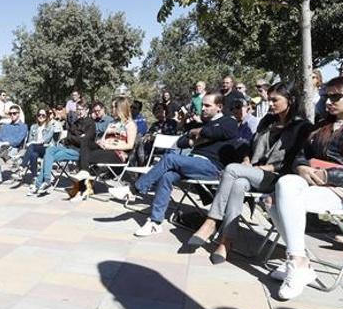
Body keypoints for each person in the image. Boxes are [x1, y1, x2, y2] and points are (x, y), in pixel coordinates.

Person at [267, 76, 343, 300]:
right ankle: (299, 260)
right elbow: (301, 157)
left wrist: (329, 175)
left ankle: (296, 262)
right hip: (316, 185)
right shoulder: (322, 125)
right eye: (326, 96)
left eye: (335, 97)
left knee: (282, 192)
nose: (329, 101)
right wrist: (302, 168)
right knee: (273, 196)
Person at [186, 82, 311, 264]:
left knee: (231, 169)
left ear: (290, 100)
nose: (270, 104)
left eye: (275, 100)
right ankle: (225, 242)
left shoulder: (303, 127)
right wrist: (246, 159)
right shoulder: (268, 121)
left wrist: (267, 168)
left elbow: (297, 161)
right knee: (237, 184)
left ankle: (212, 220)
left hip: (279, 177)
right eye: (269, 100)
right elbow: (251, 146)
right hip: (253, 171)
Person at [109, 93, 240, 237]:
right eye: (202, 105)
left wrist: (199, 133)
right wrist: (194, 136)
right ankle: (155, 223)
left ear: (219, 107)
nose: (203, 108)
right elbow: (181, 142)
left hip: (212, 166)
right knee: (167, 177)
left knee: (170, 158)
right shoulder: (204, 122)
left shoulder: (229, 121)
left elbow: (219, 132)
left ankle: (133, 190)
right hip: (192, 162)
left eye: (207, 105)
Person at [69, 96, 138, 199]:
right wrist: (101, 142)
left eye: (113, 107)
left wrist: (109, 146)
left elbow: (129, 145)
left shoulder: (130, 124)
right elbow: (104, 138)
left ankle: (84, 182)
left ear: (120, 108)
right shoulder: (112, 123)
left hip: (117, 154)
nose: (111, 109)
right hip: (104, 149)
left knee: (86, 156)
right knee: (85, 142)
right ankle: (85, 174)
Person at [30, 102, 95, 196]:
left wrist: (71, 137)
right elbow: (68, 137)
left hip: (78, 151)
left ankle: (39, 184)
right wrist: (76, 137)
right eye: (78, 109)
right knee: (49, 150)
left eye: (81, 109)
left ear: (87, 110)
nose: (79, 112)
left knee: (49, 156)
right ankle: (47, 180)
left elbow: (84, 141)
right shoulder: (76, 123)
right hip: (67, 147)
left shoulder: (90, 124)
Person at [16, 107, 54, 182]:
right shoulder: (33, 127)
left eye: (43, 115)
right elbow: (30, 140)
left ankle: (22, 167)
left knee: (32, 146)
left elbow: (46, 140)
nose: (41, 117)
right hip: (35, 148)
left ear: (46, 116)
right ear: (37, 116)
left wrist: (33, 143)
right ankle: (34, 176)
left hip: (46, 149)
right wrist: (31, 143)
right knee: (33, 154)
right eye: (39, 115)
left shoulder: (50, 127)